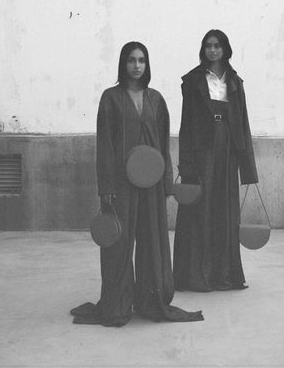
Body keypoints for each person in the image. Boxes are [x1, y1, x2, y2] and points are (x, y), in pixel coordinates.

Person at [71, 41, 203, 326]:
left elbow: (164, 143)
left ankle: (150, 300)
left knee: (153, 242)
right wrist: (106, 186)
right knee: (118, 244)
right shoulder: (111, 98)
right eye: (131, 60)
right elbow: (105, 144)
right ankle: (117, 304)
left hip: (152, 184)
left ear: (147, 64)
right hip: (120, 185)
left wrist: (167, 182)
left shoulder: (156, 99)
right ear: (123, 63)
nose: (137, 65)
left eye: (141, 60)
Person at [173, 30, 258, 292]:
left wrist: (248, 169)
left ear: (225, 49)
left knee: (225, 210)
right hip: (202, 151)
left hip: (228, 150)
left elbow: (243, 123)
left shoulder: (235, 82)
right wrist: (186, 164)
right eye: (208, 46)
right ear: (203, 49)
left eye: (217, 46)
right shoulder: (193, 81)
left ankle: (224, 275)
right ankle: (197, 275)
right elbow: (186, 124)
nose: (212, 50)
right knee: (200, 208)